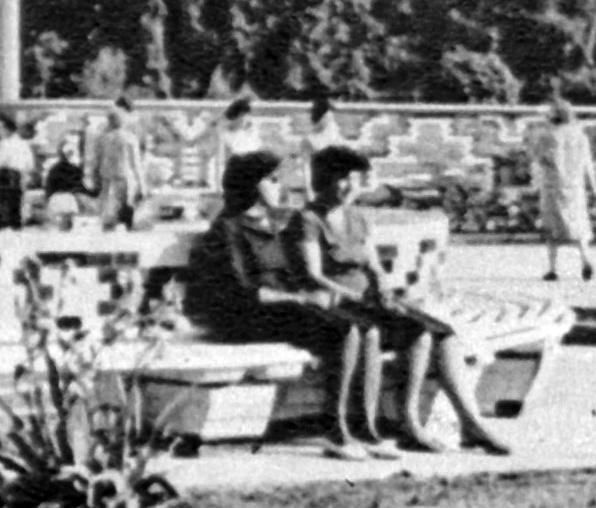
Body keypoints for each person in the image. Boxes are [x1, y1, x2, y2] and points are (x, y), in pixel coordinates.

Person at [298, 146, 513, 455]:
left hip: (368, 303)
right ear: (324, 180)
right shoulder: (308, 219)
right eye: (342, 179)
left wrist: (384, 289)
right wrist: (355, 295)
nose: (349, 186)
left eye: (354, 179)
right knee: (418, 334)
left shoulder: (356, 217)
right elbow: (313, 274)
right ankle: (411, 424)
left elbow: (372, 263)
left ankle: (468, 423)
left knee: (444, 335)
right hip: (340, 306)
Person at [201, 150, 397, 462]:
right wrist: (302, 298)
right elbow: (244, 292)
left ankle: (364, 427)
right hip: (250, 317)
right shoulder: (228, 229)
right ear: (250, 184)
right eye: (272, 180)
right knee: (345, 330)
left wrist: (316, 293)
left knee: (368, 330)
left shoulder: (275, 224)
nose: (281, 187)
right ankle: (335, 429)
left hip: (285, 309)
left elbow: (297, 274)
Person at [532, 99, 596, 282]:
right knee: (578, 224)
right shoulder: (580, 136)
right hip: (576, 186)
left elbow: (543, 159)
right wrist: (594, 188)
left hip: (553, 186)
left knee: (552, 227)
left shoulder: (547, 136)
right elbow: (587, 163)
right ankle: (585, 259)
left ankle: (552, 268)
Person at [89, 97, 148, 230]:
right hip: (125, 179)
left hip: (107, 180)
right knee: (127, 213)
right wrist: (142, 185)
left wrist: (94, 180)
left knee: (108, 214)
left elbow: (96, 162)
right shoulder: (129, 139)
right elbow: (136, 164)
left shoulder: (101, 138)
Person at [0, 119, 38, 231]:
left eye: (1, 129)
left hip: (4, 174)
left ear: (7, 130)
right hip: (17, 175)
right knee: (15, 201)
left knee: (2, 201)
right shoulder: (24, 144)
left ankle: (4, 224)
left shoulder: (4, 143)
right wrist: (25, 177)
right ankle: (15, 225)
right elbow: (30, 165)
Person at [41, 136, 88, 229]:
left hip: (55, 200)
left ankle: (62, 223)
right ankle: (66, 223)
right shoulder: (75, 169)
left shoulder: (53, 169)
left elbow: (48, 188)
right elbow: (79, 188)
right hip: (69, 200)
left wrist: (47, 201)